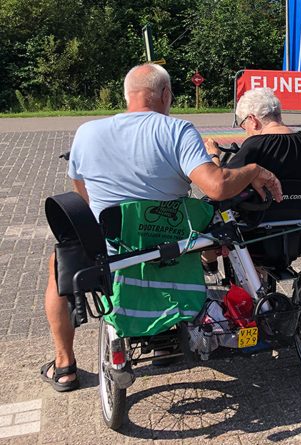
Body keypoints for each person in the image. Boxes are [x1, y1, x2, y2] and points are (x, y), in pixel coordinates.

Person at [41, 63, 283, 392]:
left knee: (59, 266)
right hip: (169, 246)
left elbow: (84, 195)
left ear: (126, 95)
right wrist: (253, 169)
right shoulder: (178, 131)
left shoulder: (87, 132)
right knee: (211, 236)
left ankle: (64, 365)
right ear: (166, 95)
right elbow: (215, 187)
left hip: (112, 253)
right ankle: (168, 336)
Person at [204, 87, 301, 267]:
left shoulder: (255, 145)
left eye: (244, 126)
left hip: (255, 234)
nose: (245, 132)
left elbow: (220, 183)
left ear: (253, 120)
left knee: (207, 207)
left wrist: (213, 155)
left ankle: (209, 263)